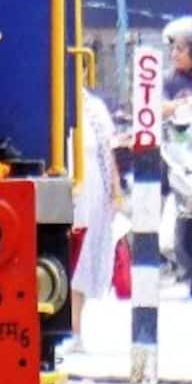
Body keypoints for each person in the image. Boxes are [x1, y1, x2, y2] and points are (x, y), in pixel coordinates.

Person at [67, 82, 125, 354]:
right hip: (62, 182)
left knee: (84, 259)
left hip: (90, 187)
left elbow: (107, 153)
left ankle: (75, 331)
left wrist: (115, 192)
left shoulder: (94, 108)